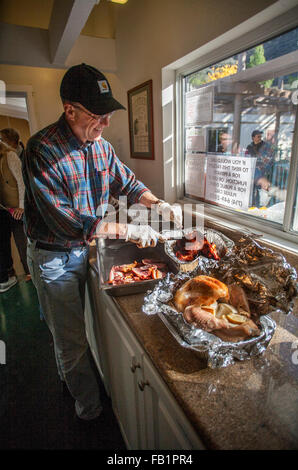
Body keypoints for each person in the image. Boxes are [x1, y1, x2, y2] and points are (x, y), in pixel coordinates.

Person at [22, 63, 182, 423]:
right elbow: (64, 221)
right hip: (53, 256)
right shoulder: (41, 149)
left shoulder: (101, 146)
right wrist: (127, 231)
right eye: (98, 116)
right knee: (70, 340)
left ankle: (73, 377)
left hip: (87, 248)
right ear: (70, 110)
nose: (106, 124)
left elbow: (126, 182)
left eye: (108, 115)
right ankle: (89, 413)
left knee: (76, 336)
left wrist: (158, 203)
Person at [0, 137, 30, 283]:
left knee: (22, 243)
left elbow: (21, 181)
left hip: (17, 208)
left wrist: (22, 206)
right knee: (4, 243)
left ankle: (30, 273)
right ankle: (10, 272)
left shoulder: (9, 156)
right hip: (4, 209)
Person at [246, 130, 275, 207]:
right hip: (251, 172)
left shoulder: (266, 146)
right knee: (251, 189)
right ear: (253, 137)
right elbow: (246, 158)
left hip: (261, 172)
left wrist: (263, 169)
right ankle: (251, 205)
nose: (260, 138)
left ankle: (259, 206)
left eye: (260, 136)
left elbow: (270, 159)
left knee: (260, 190)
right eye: (258, 136)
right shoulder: (249, 147)